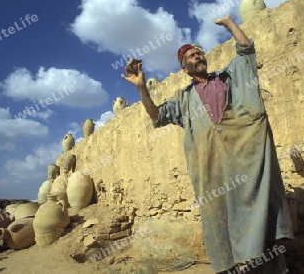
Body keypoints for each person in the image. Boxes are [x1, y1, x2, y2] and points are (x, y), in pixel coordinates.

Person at [122, 15, 294, 274]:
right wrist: (141, 88)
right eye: (191, 56)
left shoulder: (228, 77)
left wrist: (229, 24)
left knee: (260, 211)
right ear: (185, 69)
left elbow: (246, 51)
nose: (198, 57)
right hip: (210, 168)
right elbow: (156, 116)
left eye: (199, 53)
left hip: (244, 158)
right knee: (219, 219)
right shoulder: (183, 98)